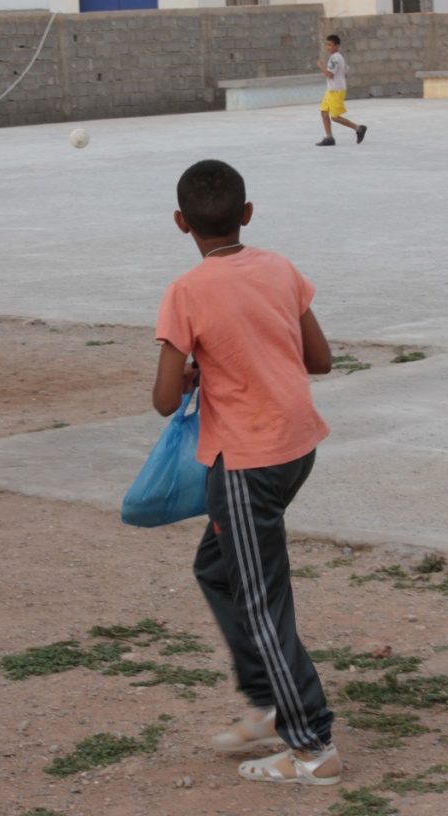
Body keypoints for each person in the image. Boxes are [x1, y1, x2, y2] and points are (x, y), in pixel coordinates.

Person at [152, 159, 342, 787]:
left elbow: (163, 399)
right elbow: (320, 360)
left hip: (246, 462)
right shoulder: (280, 268)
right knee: (217, 567)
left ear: (181, 222)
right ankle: (269, 698)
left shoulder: (186, 291)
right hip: (296, 448)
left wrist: (194, 372)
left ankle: (311, 747)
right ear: (248, 214)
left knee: (261, 602)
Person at [315, 33, 367, 147]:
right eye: (327, 45)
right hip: (331, 90)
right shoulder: (338, 57)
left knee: (335, 117)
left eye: (330, 45)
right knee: (324, 112)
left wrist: (321, 66)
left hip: (336, 91)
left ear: (337, 46)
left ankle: (358, 128)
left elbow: (330, 75)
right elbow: (346, 72)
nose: (328, 47)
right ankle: (329, 137)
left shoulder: (335, 58)